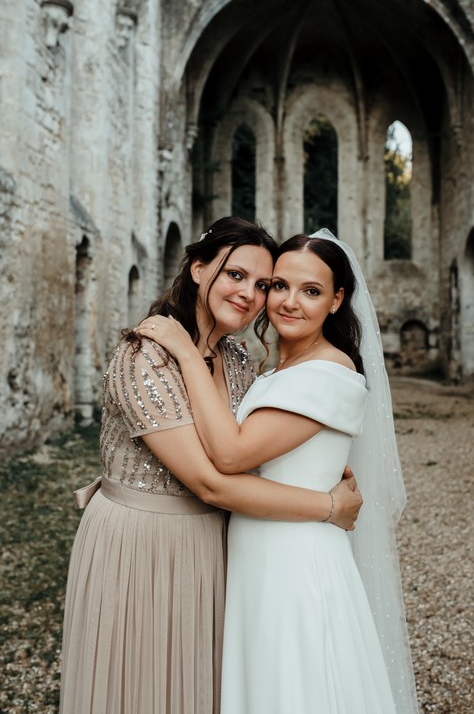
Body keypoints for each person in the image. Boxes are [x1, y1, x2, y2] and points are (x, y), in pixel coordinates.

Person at [59, 218, 362, 714]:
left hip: (217, 548)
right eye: (235, 274)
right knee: (139, 686)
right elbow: (209, 479)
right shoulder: (145, 356)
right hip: (141, 543)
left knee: (203, 688)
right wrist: (328, 504)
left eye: (262, 284)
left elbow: (260, 448)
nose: (249, 293)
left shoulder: (241, 361)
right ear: (199, 269)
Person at [136, 229, 419, 714]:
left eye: (311, 291)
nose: (289, 302)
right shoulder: (277, 370)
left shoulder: (330, 374)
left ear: (337, 300)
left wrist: (183, 351)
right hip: (259, 558)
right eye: (279, 286)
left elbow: (229, 455)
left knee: (298, 688)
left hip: (295, 563)